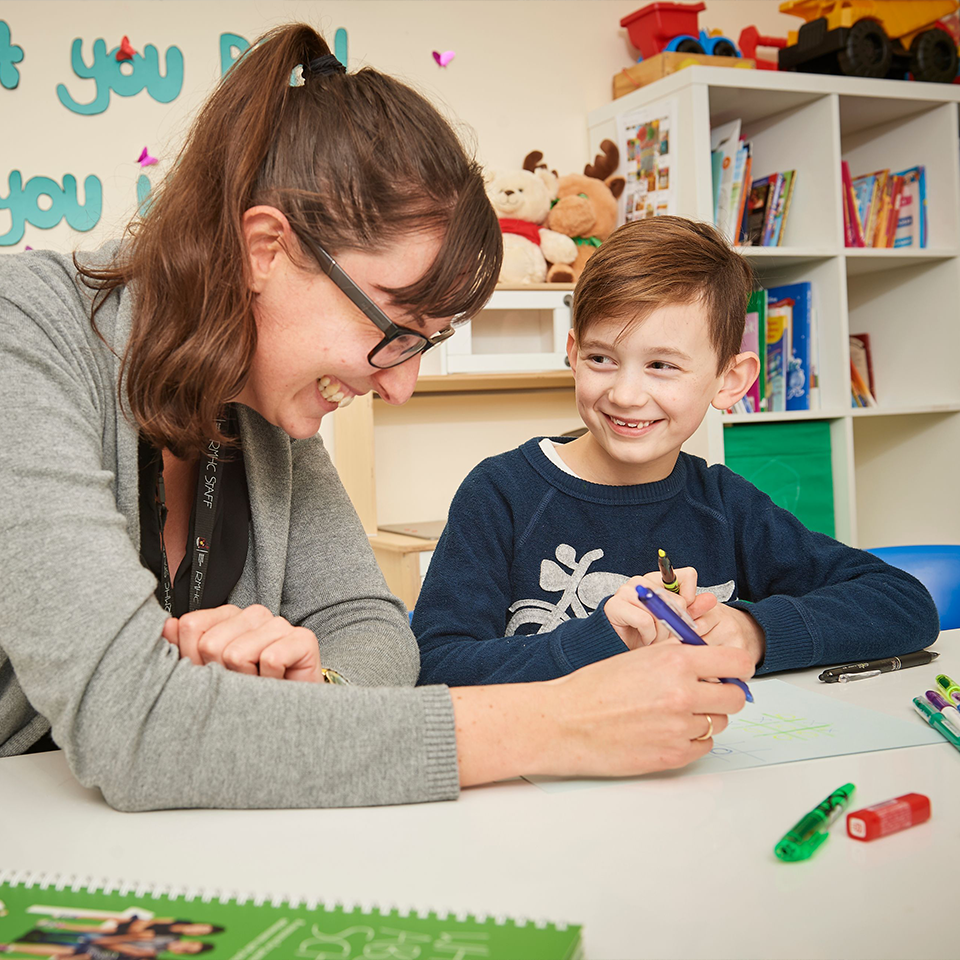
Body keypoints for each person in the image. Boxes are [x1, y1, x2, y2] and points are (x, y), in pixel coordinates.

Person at [0, 25, 756, 810]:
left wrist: (311, 688)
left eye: (426, 345)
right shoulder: (22, 332)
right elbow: (135, 729)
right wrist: (555, 724)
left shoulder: (255, 403)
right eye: (396, 331)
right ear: (266, 249)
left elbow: (374, 632)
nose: (401, 388)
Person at [414, 216, 940, 686]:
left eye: (662, 365)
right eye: (601, 358)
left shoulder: (725, 504)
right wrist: (603, 639)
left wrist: (750, 631)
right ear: (572, 354)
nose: (625, 394)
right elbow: (437, 664)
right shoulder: (501, 493)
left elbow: (902, 603)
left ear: (729, 381)